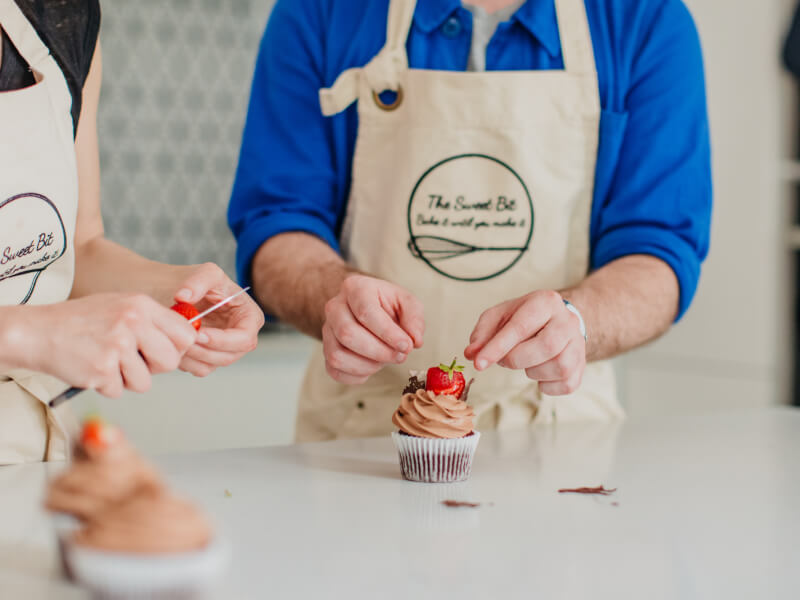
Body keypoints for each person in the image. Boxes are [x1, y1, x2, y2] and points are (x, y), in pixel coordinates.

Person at [229, 0, 712, 440]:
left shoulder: (645, 20)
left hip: (562, 433)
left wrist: (580, 322)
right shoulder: (320, 11)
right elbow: (277, 221)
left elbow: (658, 252)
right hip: (358, 432)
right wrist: (334, 298)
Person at [0, 0, 264, 464]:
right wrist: (31, 335)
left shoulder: (63, 16)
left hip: (29, 455)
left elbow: (80, 248)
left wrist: (173, 294)